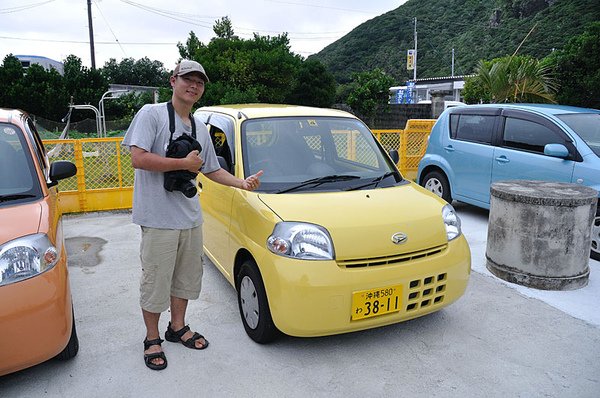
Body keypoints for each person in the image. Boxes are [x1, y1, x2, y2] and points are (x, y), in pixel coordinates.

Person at [122, 59, 263, 371]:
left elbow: (211, 169)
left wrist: (241, 182)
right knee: (155, 280)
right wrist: (182, 165)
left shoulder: (200, 127)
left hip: (189, 217)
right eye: (188, 79)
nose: (194, 85)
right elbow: (137, 158)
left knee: (185, 279)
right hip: (157, 218)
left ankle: (177, 327)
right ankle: (151, 337)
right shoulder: (151, 114)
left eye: (199, 82)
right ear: (173, 81)